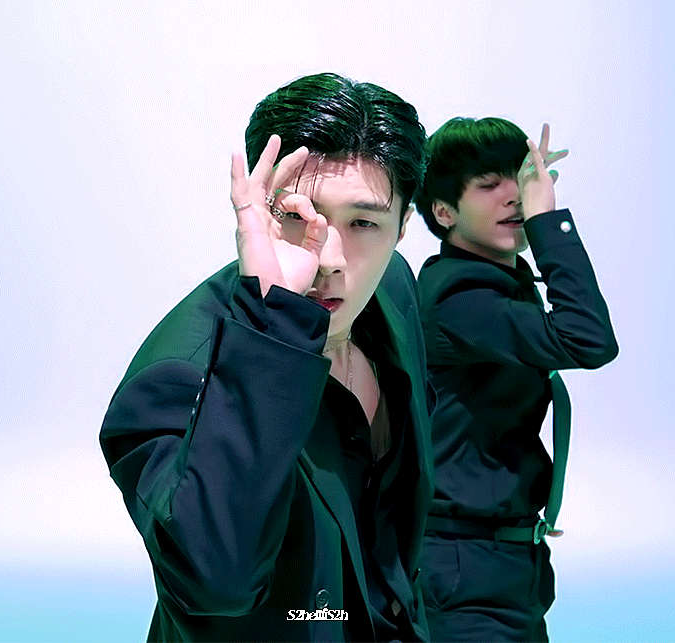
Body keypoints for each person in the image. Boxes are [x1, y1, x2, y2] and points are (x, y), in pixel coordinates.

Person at [100, 73, 434, 642]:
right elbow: (215, 586)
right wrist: (274, 327)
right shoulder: (175, 376)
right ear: (259, 209)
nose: (328, 256)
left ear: (403, 226)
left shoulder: (394, 289)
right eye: (297, 214)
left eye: (363, 223)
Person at [413, 116, 619, 642]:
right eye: (489, 184)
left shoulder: (499, 285)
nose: (515, 196)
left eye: (521, 179)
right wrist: (548, 223)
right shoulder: (458, 298)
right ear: (444, 212)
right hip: (462, 569)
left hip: (506, 562)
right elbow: (587, 340)